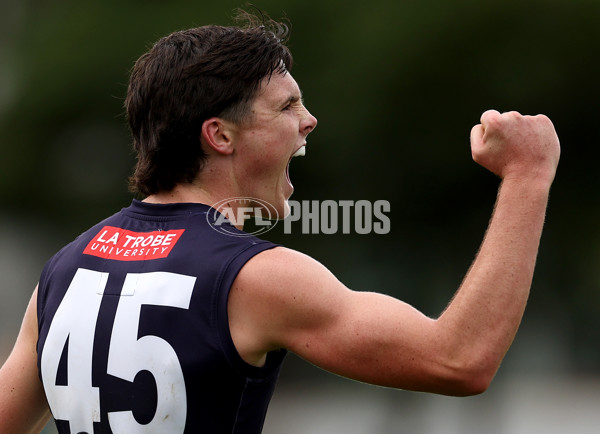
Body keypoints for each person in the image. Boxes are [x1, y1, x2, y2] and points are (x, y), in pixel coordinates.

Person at [0, 10, 560, 434]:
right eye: (287, 106)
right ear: (219, 135)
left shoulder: (65, 269)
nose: (310, 121)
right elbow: (458, 361)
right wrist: (527, 177)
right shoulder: (256, 278)